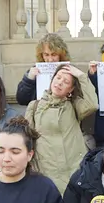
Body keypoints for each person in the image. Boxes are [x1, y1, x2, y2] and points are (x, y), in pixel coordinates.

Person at [25, 64, 99, 194]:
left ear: (71, 89)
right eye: (58, 78)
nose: (59, 83)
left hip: (74, 169)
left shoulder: (74, 105)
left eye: (66, 82)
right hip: (46, 170)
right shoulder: (34, 106)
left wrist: (81, 76)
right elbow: (27, 139)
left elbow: (92, 105)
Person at [16, 33, 71, 105]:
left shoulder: (70, 71)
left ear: (61, 54)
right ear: (41, 55)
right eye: (46, 55)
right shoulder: (34, 71)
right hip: (41, 112)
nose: (50, 59)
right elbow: (22, 100)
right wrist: (29, 80)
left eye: (54, 54)